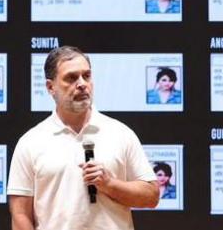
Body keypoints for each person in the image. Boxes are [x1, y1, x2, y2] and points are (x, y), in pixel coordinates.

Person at [8, 46, 158, 230]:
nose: (82, 84)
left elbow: (151, 196)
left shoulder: (120, 133)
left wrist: (109, 184)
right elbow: (20, 215)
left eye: (86, 76)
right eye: (71, 78)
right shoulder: (30, 142)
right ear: (50, 87)